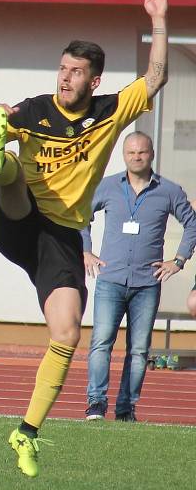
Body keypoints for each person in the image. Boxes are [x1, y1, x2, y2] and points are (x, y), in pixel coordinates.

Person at [0, 0, 168, 477]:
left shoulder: (109, 112)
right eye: (62, 68)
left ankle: (26, 433)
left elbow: (154, 80)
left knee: (66, 333)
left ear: (94, 81)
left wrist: (159, 21)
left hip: (61, 240)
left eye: (75, 71)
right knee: (11, 172)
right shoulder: (37, 108)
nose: (64, 77)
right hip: (20, 219)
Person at [82, 131, 196, 422]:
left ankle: (126, 409)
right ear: (124, 155)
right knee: (101, 342)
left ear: (151, 154)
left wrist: (178, 261)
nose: (136, 157)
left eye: (142, 152)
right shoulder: (107, 187)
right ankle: (96, 404)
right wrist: (85, 251)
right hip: (110, 279)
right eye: (131, 152)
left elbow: (192, 224)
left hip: (147, 283)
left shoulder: (169, 191)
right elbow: (80, 216)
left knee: (138, 349)